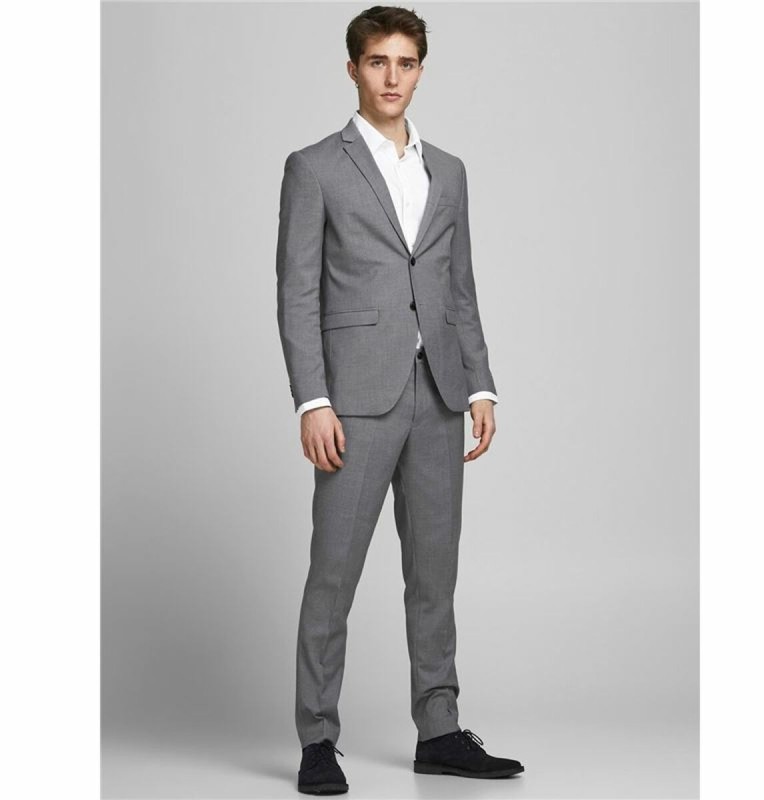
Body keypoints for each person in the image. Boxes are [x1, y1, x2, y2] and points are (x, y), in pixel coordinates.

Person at [276, 5, 524, 794]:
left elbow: (459, 286)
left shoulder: (447, 170)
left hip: (439, 394)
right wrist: (312, 401)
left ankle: (440, 730)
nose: (392, 77)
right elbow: (297, 293)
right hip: (354, 399)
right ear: (353, 68)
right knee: (334, 574)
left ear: (420, 70)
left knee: (434, 573)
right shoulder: (315, 167)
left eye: (406, 63)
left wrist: (479, 383)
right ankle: (318, 741)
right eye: (378, 61)